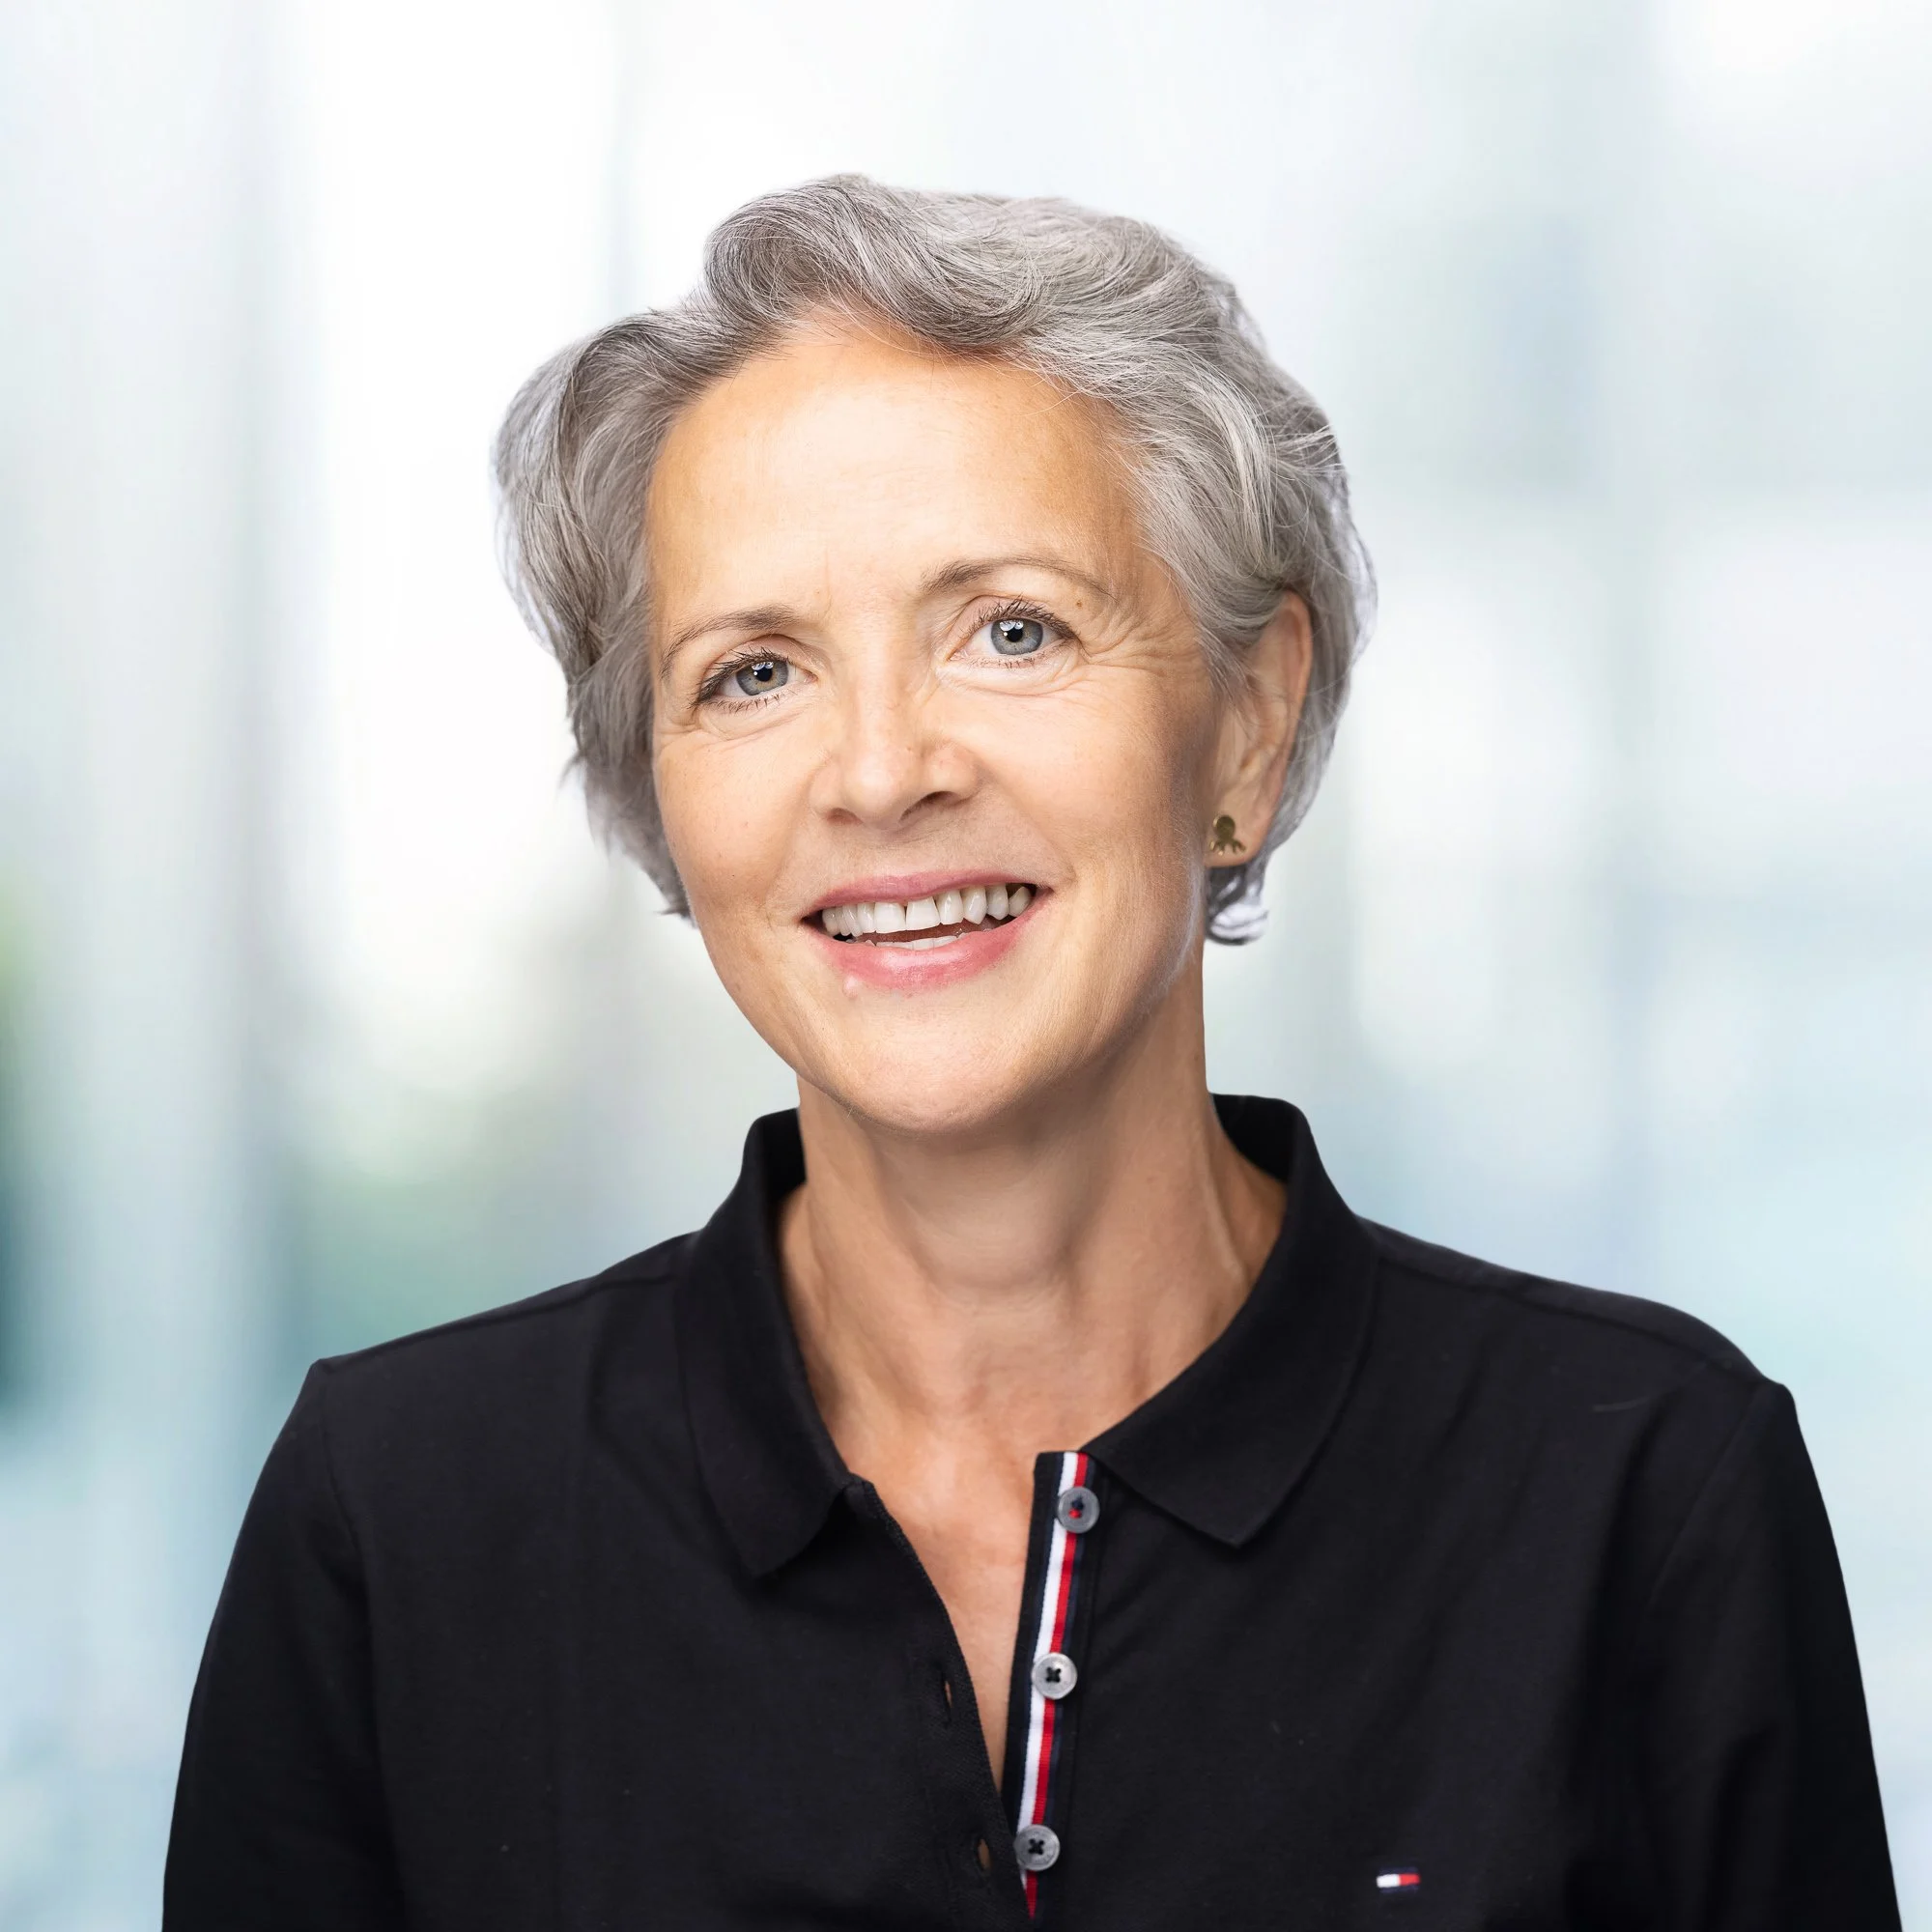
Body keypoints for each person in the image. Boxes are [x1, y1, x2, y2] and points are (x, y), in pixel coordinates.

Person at [163, 177, 1898, 1930]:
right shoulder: (400, 1516)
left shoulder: (1642, 1487)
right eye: (754, 673)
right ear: (662, 795)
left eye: (1013, 631)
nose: (879, 770)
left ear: (1252, 713)